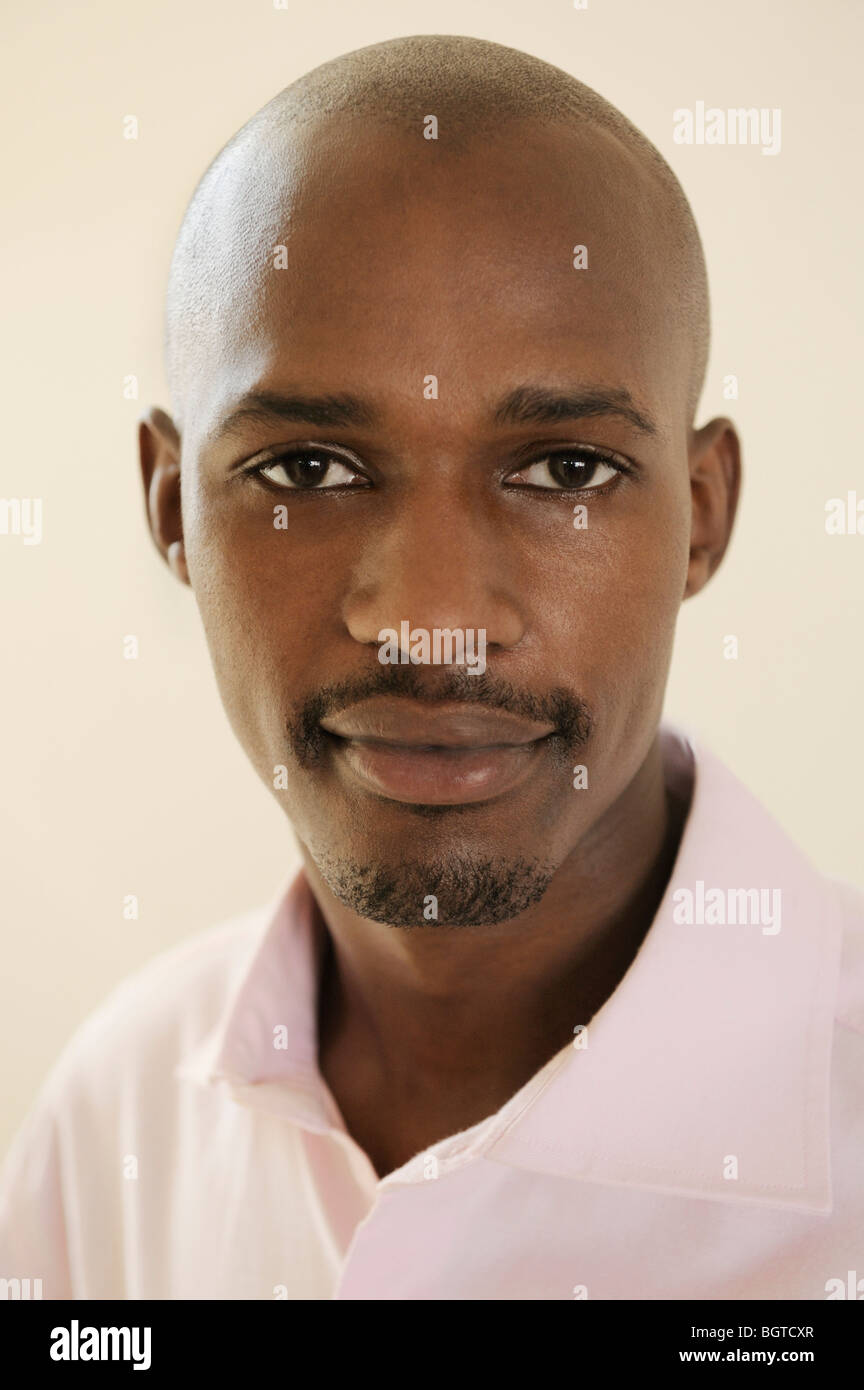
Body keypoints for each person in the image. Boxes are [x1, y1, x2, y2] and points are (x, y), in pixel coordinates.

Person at [1, 33, 862, 1302]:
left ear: (703, 512)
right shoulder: (115, 1123)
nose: (429, 617)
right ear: (173, 508)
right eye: (308, 471)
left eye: (565, 470)